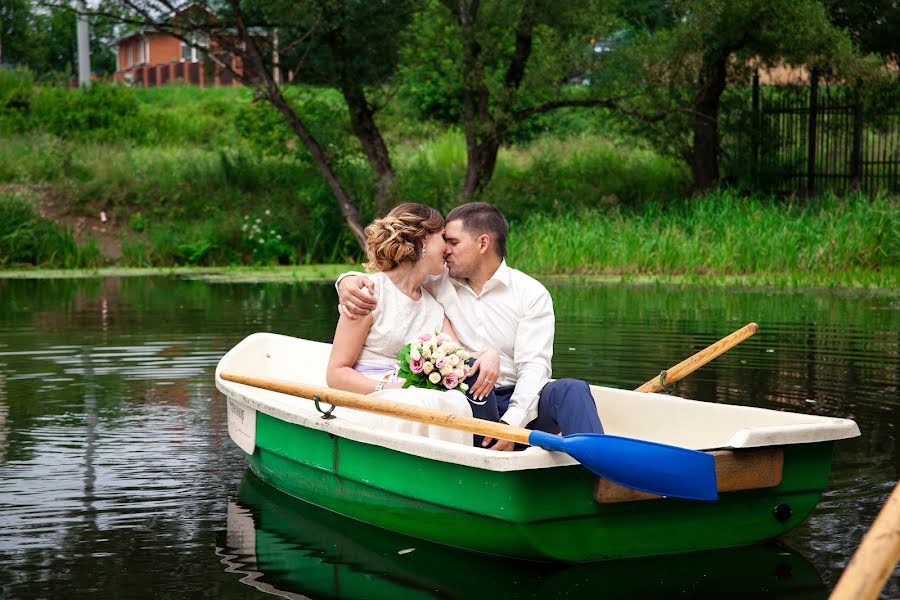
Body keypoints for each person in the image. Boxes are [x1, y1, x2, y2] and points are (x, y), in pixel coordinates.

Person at [338, 202, 603, 451]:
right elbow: (397, 280)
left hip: (519, 405)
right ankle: (486, 461)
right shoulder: (438, 280)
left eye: (452, 242)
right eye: (444, 242)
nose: (446, 250)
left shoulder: (531, 294)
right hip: (468, 396)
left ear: (483, 243)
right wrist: (346, 281)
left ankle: (602, 470)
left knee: (572, 390)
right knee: (470, 372)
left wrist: (512, 423)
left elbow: (534, 367)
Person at [327, 202, 501, 446]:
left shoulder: (433, 307)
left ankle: (482, 452)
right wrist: (389, 388)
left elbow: (461, 359)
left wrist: (489, 356)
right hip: (369, 401)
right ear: (422, 242)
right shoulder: (367, 294)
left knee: (453, 400)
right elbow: (336, 374)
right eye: (443, 238)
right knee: (423, 403)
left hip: (414, 399)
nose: (448, 249)